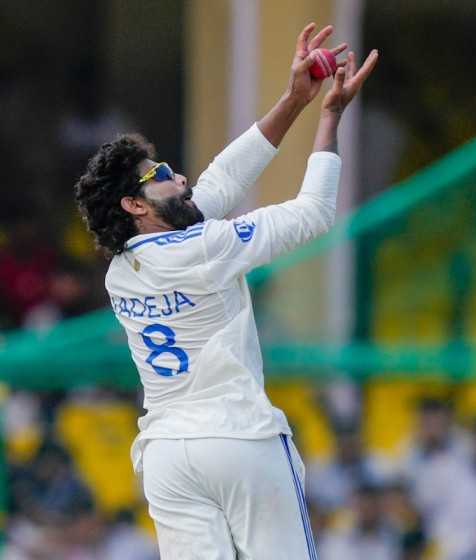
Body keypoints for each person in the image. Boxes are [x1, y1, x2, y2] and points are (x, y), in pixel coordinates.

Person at [72, 22, 378, 559]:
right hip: (238, 437)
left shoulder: (120, 269)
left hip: (167, 454)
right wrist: (328, 118)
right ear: (135, 205)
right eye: (162, 173)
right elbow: (314, 213)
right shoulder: (204, 247)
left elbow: (220, 183)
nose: (182, 177)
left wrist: (292, 101)